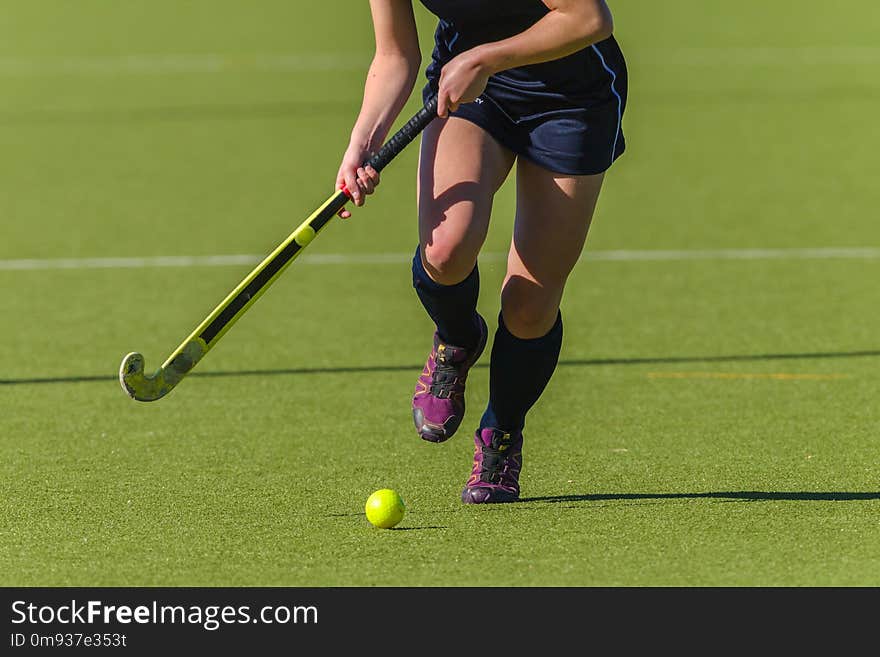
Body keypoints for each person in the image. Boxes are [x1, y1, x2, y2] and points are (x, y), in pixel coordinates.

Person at [335, 0, 627, 504]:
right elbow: (395, 55)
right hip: (476, 90)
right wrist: (363, 140)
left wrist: (487, 58)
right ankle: (457, 338)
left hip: (571, 97)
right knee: (445, 250)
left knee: (529, 304)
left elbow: (588, 18)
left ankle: (502, 431)